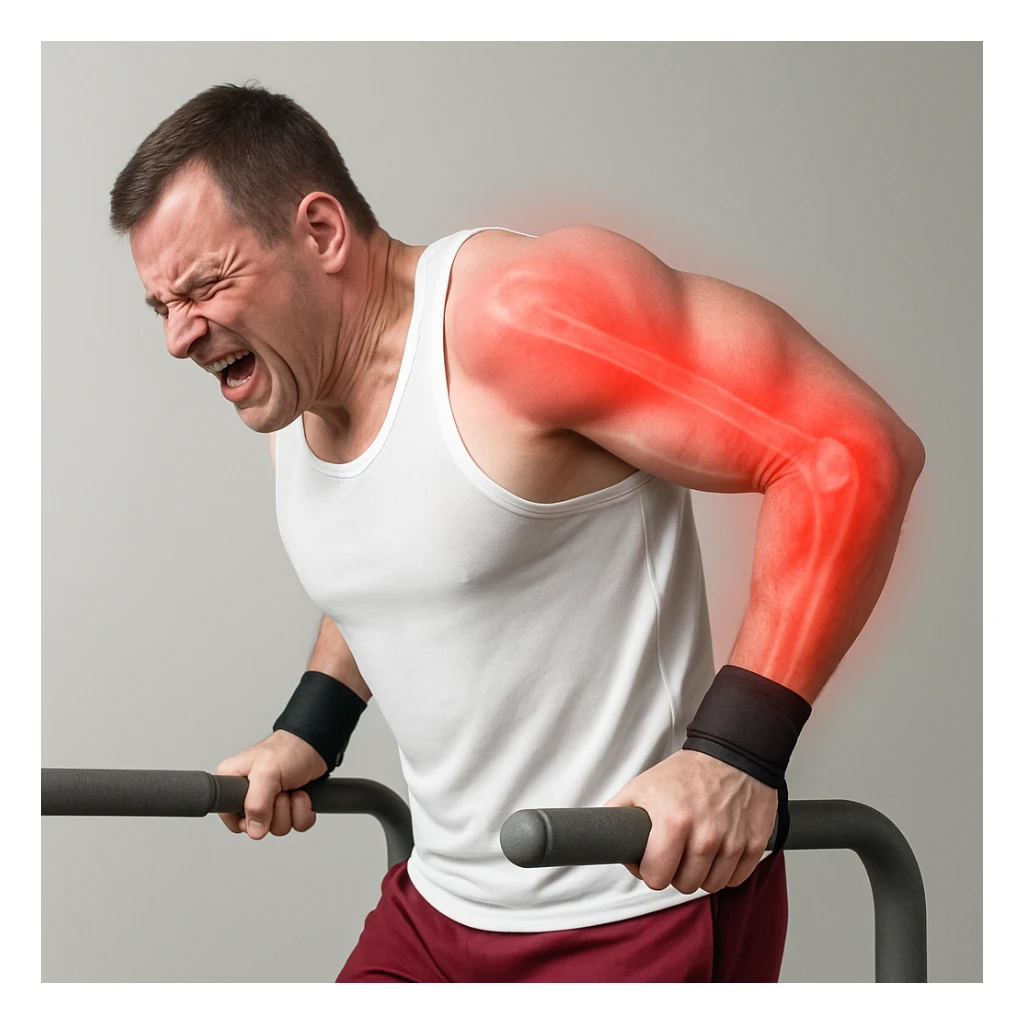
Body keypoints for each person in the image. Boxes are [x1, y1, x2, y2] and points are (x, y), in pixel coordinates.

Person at [109, 81, 925, 983]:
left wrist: (736, 756)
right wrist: (311, 727)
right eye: (161, 307)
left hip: (634, 909)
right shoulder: (293, 400)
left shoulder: (524, 316)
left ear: (321, 232)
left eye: (207, 285)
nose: (180, 337)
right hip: (438, 907)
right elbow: (405, 561)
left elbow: (846, 452)